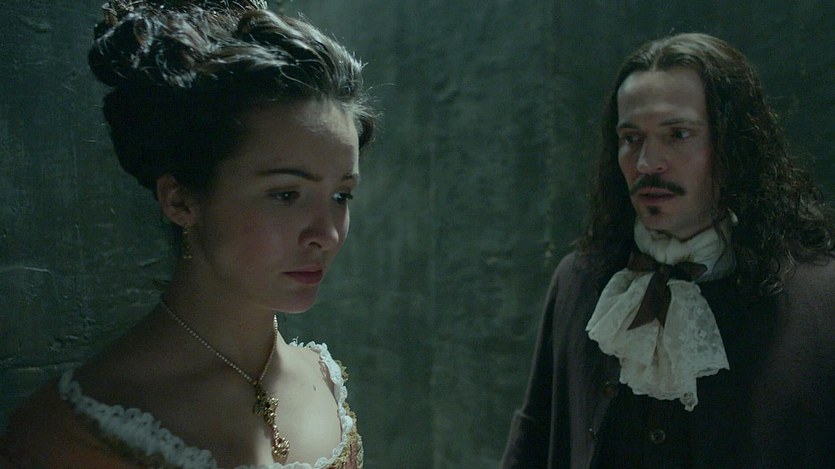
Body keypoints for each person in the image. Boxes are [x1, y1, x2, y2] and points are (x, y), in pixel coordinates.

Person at [0, 0, 375, 467]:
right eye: (286, 194)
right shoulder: (76, 429)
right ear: (180, 201)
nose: (327, 235)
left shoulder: (323, 377)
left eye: (341, 195)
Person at [501, 32, 835, 468]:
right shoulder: (579, 281)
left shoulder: (820, 299)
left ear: (733, 145)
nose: (647, 163)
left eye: (678, 134)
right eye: (631, 138)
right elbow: (534, 439)